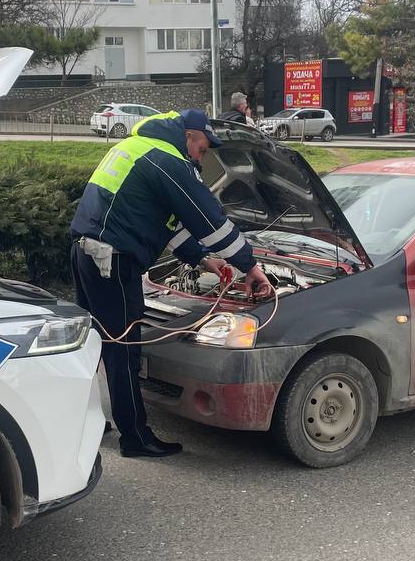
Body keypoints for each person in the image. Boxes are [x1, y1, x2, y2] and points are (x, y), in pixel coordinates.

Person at [70, 109, 274, 459]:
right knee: (123, 350)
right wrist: (250, 267)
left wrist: (203, 260)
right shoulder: (167, 159)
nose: (201, 158)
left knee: (92, 343)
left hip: (86, 252)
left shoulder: (138, 146)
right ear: (189, 136)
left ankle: (85, 422)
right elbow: (210, 220)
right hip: (113, 260)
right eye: (202, 149)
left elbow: (167, 222)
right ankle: (135, 438)